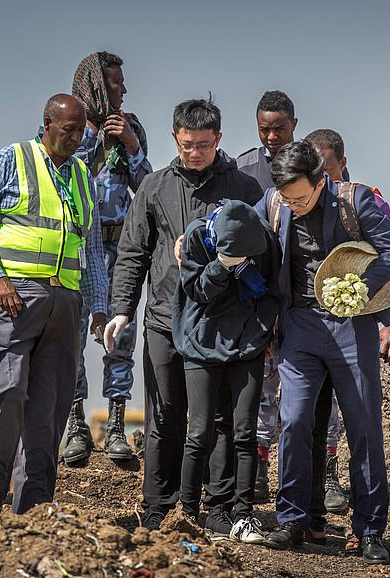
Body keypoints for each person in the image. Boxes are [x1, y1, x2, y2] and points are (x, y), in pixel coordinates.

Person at [106, 97, 264, 531]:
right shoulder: (154, 188)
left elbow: (263, 252)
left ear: (219, 140)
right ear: (175, 138)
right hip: (163, 318)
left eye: (204, 145)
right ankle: (159, 506)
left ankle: (216, 508)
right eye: (187, 144)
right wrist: (121, 310)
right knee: (164, 413)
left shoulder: (244, 189)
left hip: (220, 323)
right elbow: (132, 253)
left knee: (217, 417)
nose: (194, 153)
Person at [257, 141, 390, 565]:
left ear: (321, 181)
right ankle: (291, 521)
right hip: (299, 327)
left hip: (351, 324)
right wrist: (201, 237)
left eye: (301, 198)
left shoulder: (355, 201)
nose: (293, 206)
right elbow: (240, 227)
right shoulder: (274, 202)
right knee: (296, 419)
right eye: (287, 199)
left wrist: (360, 288)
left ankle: (370, 530)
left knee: (363, 425)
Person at [0, 94, 108, 522]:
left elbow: (94, 249)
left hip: (65, 304)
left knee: (50, 404)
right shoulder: (11, 160)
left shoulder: (83, 175)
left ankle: (35, 506)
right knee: (5, 394)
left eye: (82, 130)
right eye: (69, 130)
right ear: (47, 123)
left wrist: (98, 306)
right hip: (13, 298)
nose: (77, 138)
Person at [304, 128, 390, 515]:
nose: (321, 179)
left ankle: (357, 506)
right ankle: (317, 487)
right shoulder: (299, 202)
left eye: (328, 169)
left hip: (358, 323)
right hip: (311, 326)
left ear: (343, 164)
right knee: (306, 412)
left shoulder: (364, 202)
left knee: (360, 416)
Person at [173, 200, 281, 543]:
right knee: (201, 430)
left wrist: (262, 333)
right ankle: (186, 513)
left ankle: (241, 515)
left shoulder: (262, 239)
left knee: (244, 431)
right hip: (201, 339)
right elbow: (198, 291)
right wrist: (223, 265)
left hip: (247, 342)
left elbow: (271, 291)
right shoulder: (197, 237)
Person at [63, 51, 151, 464]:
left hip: (120, 249)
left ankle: (116, 425)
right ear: (97, 86)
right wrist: (91, 140)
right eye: (116, 83)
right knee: (71, 340)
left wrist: (130, 145)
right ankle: (75, 426)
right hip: (77, 252)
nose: (124, 90)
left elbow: (151, 189)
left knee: (120, 337)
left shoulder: (131, 129)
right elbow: (63, 178)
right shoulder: (65, 132)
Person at [236, 90, 299, 502]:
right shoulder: (244, 169)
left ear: (294, 124)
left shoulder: (310, 164)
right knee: (258, 387)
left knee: (297, 392)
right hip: (256, 298)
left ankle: (307, 475)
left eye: (279, 128)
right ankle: (256, 469)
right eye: (264, 129)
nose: (272, 137)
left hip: (297, 296)